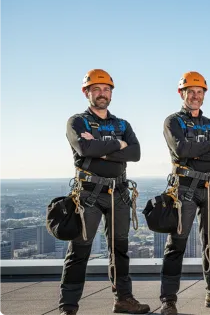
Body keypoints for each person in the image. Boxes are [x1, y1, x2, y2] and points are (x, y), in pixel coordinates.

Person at [60, 69, 149, 315]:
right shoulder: (77, 122)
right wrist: (117, 144)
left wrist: (100, 147)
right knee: (80, 249)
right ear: (86, 92)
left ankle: (123, 299)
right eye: (96, 89)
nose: (102, 94)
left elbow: (135, 153)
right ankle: (68, 306)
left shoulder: (122, 123)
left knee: (119, 248)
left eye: (106, 89)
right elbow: (84, 147)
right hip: (89, 192)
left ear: (111, 93)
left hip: (118, 192)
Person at [159, 71, 210, 315]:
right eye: (190, 91)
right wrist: (209, 145)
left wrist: (197, 150)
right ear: (181, 93)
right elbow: (181, 150)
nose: (195, 96)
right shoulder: (173, 122)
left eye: (199, 92)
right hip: (185, 188)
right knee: (177, 243)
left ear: (204, 95)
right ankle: (168, 299)